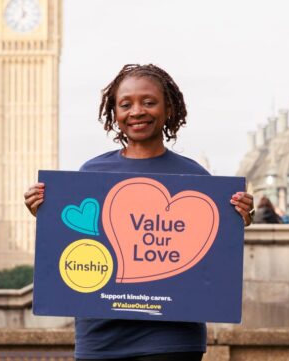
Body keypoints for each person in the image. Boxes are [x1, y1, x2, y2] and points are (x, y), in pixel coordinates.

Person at [24, 64, 254, 361]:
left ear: (168, 109)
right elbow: (75, 244)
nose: (137, 111)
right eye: (126, 104)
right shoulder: (91, 173)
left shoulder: (196, 178)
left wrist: (240, 218)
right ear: (114, 113)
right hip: (101, 339)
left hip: (172, 340)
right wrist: (45, 212)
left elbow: (212, 255)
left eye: (149, 102)